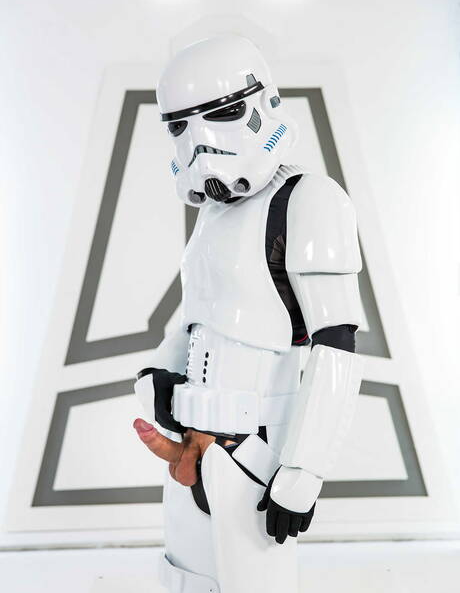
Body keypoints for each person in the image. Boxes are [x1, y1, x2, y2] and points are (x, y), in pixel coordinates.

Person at [133, 34, 363, 593]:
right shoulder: (214, 215)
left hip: (256, 454)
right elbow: (197, 319)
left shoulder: (309, 198)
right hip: (195, 444)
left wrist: (304, 472)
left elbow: (336, 345)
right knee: (185, 580)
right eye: (179, 125)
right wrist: (158, 379)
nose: (200, 142)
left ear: (265, 104)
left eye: (222, 114)